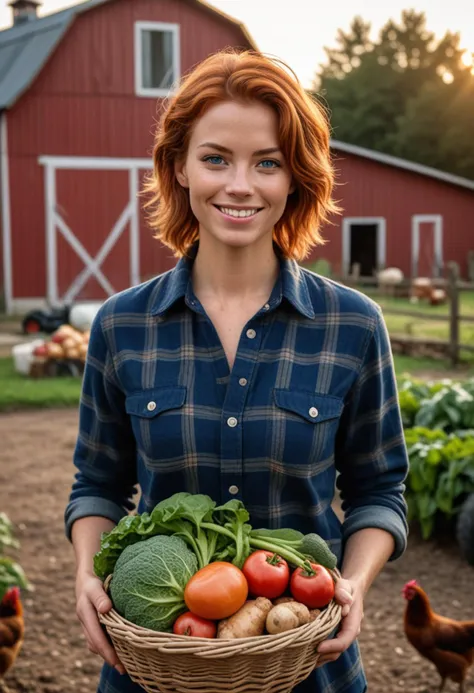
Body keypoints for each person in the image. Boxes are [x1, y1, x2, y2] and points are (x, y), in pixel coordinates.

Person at [65, 48, 409, 693]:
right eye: (215, 157)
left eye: (268, 163)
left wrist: (354, 585)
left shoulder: (352, 325)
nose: (240, 185)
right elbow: (97, 485)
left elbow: (380, 490)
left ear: (295, 178)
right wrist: (88, 571)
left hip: (306, 657)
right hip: (157, 664)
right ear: (179, 167)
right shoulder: (122, 325)